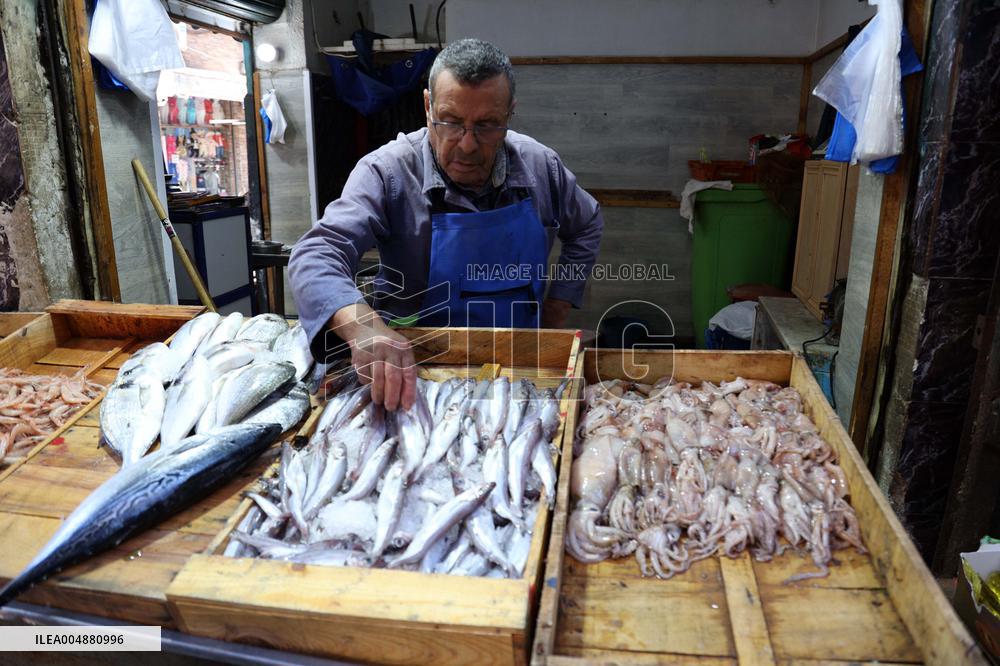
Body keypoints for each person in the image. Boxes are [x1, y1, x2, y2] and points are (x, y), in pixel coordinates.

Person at [289, 38, 603, 411]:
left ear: (509, 115)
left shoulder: (540, 166)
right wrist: (363, 327)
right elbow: (316, 253)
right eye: (451, 122)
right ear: (427, 107)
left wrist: (558, 303)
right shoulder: (387, 172)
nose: (467, 145)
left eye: (487, 125)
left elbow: (587, 224)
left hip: (520, 366)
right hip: (411, 374)